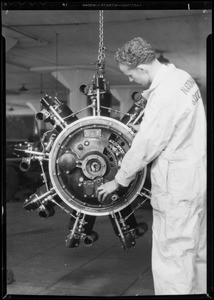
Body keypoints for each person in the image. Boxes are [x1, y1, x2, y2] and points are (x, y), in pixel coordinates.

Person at [97, 37, 207, 295]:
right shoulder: (181, 78)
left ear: (143, 68)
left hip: (176, 189)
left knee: (172, 262)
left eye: (131, 75)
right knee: (196, 255)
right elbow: (172, 125)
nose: (132, 81)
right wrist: (147, 128)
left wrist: (119, 179)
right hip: (194, 183)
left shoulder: (164, 94)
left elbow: (147, 144)